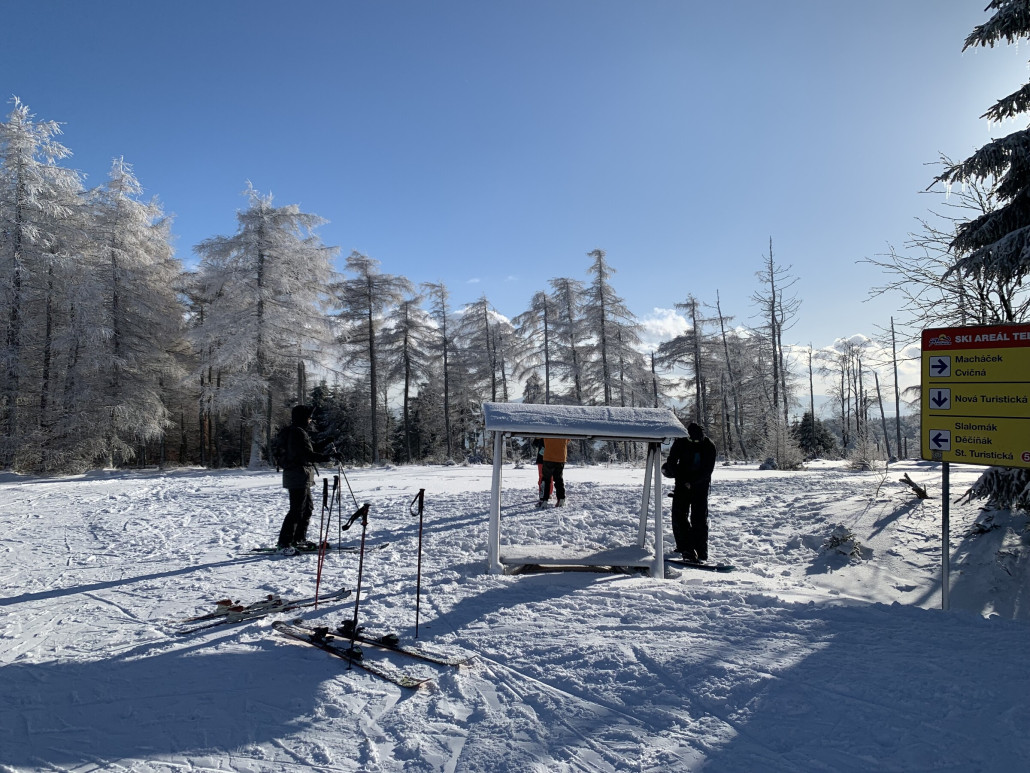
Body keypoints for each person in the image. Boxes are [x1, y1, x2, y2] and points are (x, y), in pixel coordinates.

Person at [276, 404, 335, 552]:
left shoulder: (299, 432)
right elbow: (307, 455)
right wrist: (329, 457)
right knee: (297, 510)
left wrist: (327, 442)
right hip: (297, 475)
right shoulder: (297, 433)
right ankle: (284, 543)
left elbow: (310, 449)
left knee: (307, 508)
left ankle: (298, 539)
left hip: (301, 475)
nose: (310, 420)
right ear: (303, 418)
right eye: (309, 417)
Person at [662, 422, 717, 562]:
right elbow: (672, 462)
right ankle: (684, 548)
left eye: (698, 440)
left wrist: (692, 483)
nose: (695, 443)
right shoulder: (681, 442)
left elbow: (707, 470)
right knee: (679, 517)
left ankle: (701, 552)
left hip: (700, 487)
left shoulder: (709, 446)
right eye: (692, 440)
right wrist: (682, 480)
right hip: (681, 484)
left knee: (699, 519)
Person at [538, 437, 570, 508]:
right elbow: (568, 440)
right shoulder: (566, 427)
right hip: (561, 456)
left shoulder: (547, 427)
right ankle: (561, 499)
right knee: (559, 479)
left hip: (548, 456)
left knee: (546, 479)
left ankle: (544, 500)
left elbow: (538, 436)